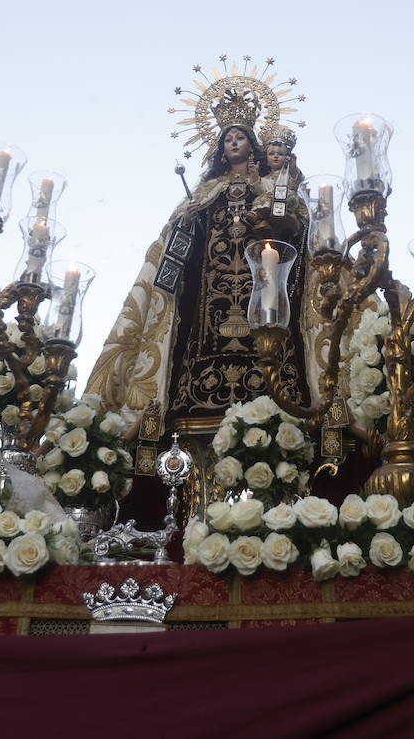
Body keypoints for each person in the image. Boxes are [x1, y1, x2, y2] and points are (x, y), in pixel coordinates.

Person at [87, 79, 315, 523]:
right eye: (227, 139)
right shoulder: (204, 191)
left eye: (241, 138)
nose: (234, 144)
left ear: (253, 144)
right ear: (219, 147)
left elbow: (296, 223)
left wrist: (267, 206)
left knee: (267, 332)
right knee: (195, 332)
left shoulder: (271, 183)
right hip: (207, 298)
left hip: (262, 287)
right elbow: (174, 242)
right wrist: (188, 219)